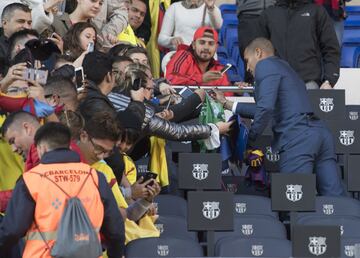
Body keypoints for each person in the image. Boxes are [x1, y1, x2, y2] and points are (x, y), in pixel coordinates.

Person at [214, 38, 344, 196]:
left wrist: (250, 141)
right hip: (320, 133)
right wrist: (227, 103)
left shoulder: (265, 65)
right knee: (335, 201)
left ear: (258, 53)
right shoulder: (285, 67)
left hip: (297, 137)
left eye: (247, 61)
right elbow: (270, 107)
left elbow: (266, 109)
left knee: (295, 205)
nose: (247, 68)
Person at [0, 122, 125, 257]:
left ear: (41, 148)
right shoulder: (95, 177)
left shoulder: (30, 180)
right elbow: (116, 230)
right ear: (69, 146)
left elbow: (12, 231)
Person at [258, 0, 340, 89]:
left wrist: (329, 80)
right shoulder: (269, 14)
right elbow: (260, 52)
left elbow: (331, 49)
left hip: (308, 84)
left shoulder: (317, 12)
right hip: (276, 85)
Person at [165, 26, 231, 90]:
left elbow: (228, 96)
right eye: (202, 43)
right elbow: (170, 80)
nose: (206, 47)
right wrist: (201, 79)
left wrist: (237, 90)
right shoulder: (183, 56)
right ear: (193, 45)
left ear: (216, 47)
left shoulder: (218, 69)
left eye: (211, 44)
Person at [158, 0, 223, 50]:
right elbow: (161, 39)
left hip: (205, 56)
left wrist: (211, 8)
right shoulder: (174, 7)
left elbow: (218, 26)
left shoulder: (211, 7)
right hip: (181, 56)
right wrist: (171, 40)